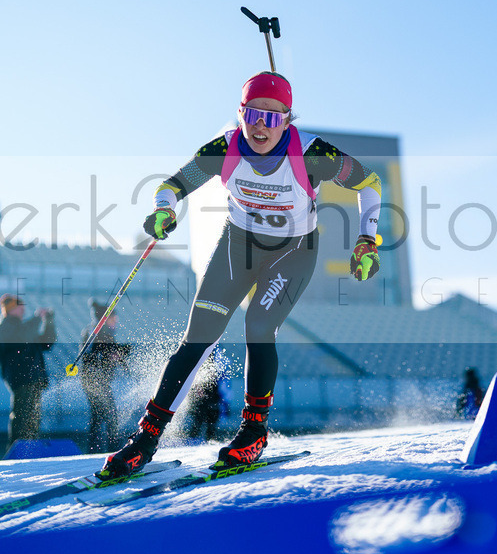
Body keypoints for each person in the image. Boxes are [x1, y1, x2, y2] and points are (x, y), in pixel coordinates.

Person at [100, 71, 381, 478]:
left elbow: (368, 183)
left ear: (288, 120)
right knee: (199, 335)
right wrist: (165, 209)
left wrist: (367, 239)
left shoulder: (311, 153)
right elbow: (173, 185)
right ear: (240, 113)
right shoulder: (225, 147)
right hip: (239, 246)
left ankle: (253, 432)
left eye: (272, 117)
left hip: (293, 253)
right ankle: (145, 439)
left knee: (258, 325)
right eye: (252, 114)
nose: (260, 126)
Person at [0, 294, 56, 446]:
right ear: (11, 309)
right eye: (19, 306)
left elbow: (46, 344)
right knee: (22, 417)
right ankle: (17, 450)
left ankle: (30, 449)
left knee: (33, 418)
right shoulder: (4, 327)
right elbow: (21, 337)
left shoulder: (23, 327)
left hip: (33, 378)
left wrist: (49, 321)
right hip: (21, 379)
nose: (23, 309)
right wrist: (37, 318)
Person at [79, 299, 131, 453]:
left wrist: (120, 357)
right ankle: (112, 449)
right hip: (94, 381)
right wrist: (120, 352)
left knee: (98, 416)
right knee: (110, 415)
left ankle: (94, 449)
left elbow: (112, 352)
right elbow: (101, 351)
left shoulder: (101, 332)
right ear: (105, 319)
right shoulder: (96, 331)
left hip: (98, 381)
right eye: (113, 318)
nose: (116, 322)